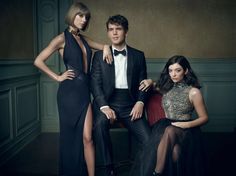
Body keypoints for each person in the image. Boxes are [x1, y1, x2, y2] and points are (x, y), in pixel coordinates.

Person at [34, 2, 113, 176]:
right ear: (72, 15)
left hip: (84, 92)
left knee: (88, 138)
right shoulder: (61, 38)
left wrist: (107, 47)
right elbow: (38, 61)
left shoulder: (83, 38)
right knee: (70, 137)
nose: (84, 20)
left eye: (86, 17)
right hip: (69, 93)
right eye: (80, 16)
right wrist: (58, 77)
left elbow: (102, 46)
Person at [90, 14, 151, 176]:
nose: (114, 33)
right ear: (108, 33)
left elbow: (143, 83)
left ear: (126, 31)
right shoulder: (98, 56)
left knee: (148, 139)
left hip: (131, 104)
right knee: (100, 125)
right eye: (111, 30)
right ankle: (108, 168)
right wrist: (104, 106)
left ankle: (138, 169)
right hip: (107, 102)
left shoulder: (138, 55)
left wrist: (140, 102)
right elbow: (95, 84)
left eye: (118, 29)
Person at [131, 55, 208, 176]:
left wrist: (184, 124)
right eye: (170, 70)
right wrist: (150, 81)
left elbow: (205, 118)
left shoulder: (193, 92)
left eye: (178, 70)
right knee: (175, 152)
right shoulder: (166, 88)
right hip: (166, 125)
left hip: (187, 130)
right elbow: (153, 85)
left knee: (170, 130)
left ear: (186, 71)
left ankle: (157, 173)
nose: (174, 74)